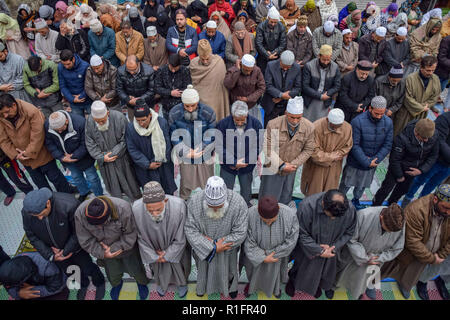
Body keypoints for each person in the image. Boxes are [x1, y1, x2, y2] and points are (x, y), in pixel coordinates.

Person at [21, 188, 106, 300]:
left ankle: (99, 281)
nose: (39, 218)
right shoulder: (27, 212)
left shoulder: (69, 204)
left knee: (88, 267)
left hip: (75, 249)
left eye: (41, 214)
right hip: (54, 254)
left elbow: (79, 232)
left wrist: (65, 251)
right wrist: (50, 255)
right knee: (71, 270)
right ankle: (84, 284)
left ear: (48, 203)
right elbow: (31, 236)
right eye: (36, 216)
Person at [381, 184, 450, 300]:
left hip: (428, 254)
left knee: (412, 275)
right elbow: (413, 241)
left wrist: (442, 254)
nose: (448, 212)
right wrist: (432, 259)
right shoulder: (417, 210)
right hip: (410, 251)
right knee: (388, 268)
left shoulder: (447, 211)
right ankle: (369, 285)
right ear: (435, 199)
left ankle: (405, 286)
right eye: (445, 208)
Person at [75, 196, 150, 300]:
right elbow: (85, 240)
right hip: (104, 254)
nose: (99, 227)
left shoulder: (123, 208)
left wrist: (113, 249)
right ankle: (117, 284)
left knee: (136, 270)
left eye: (101, 224)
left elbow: (131, 234)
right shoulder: (80, 214)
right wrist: (103, 253)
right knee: (112, 273)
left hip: (127, 250)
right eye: (95, 225)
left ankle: (141, 283)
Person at [285, 189, 356, 299]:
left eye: (335, 218)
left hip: (332, 250)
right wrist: (319, 250)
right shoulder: (307, 207)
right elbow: (302, 234)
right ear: (323, 204)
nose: (332, 219)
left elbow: (349, 232)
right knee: (300, 269)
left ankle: (317, 285)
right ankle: (294, 283)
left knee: (325, 271)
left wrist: (334, 247)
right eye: (330, 215)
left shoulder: (349, 210)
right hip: (308, 249)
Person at [185, 175, 248, 298]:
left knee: (229, 270)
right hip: (204, 249)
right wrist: (212, 247)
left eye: (218, 207)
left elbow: (240, 232)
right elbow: (190, 229)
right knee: (204, 270)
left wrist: (219, 244)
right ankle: (202, 288)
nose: (214, 210)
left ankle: (231, 288)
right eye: (211, 206)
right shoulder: (194, 201)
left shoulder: (238, 202)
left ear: (225, 200)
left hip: (227, 249)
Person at [0, 94, 74, 193]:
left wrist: (27, 153)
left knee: (56, 179)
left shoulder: (31, 111)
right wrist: (16, 155)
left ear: (14, 105)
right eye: (2, 114)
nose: (5, 116)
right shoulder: (2, 117)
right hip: (24, 159)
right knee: (40, 184)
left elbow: (38, 134)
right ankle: (49, 203)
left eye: (7, 112)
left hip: (42, 154)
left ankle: (67, 197)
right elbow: (3, 140)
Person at [132, 181, 191, 298]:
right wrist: (155, 256)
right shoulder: (136, 208)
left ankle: (182, 283)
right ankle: (161, 283)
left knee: (180, 267)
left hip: (176, 248)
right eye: (150, 210)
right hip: (154, 249)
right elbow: (140, 237)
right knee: (158, 268)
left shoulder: (179, 205)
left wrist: (168, 254)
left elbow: (182, 235)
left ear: (165, 201)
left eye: (158, 209)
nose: (154, 213)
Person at [336, 203, 405, 300]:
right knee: (342, 275)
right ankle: (333, 286)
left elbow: (398, 247)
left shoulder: (399, 223)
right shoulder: (364, 215)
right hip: (355, 256)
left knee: (364, 280)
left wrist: (380, 258)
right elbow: (352, 239)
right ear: (381, 216)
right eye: (387, 229)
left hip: (377, 259)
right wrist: (365, 257)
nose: (389, 233)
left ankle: (360, 291)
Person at [339, 96, 393, 210]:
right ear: (370, 108)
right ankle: (339, 201)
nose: (379, 116)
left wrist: (375, 160)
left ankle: (356, 200)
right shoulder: (357, 122)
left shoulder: (388, 123)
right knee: (346, 184)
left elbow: (387, 145)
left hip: (372, 164)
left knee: (362, 186)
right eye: (376, 113)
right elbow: (354, 145)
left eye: (381, 114)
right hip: (356, 162)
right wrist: (366, 161)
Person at [259, 96, 314, 205]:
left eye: (298, 118)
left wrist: (293, 165)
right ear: (285, 113)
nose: (295, 121)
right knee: (268, 197)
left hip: (291, 168)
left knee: (285, 195)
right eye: (292, 117)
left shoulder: (309, 127)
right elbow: (268, 148)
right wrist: (282, 165)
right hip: (273, 166)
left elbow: (308, 149)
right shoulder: (273, 124)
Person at [242, 195, 299, 298]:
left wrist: (273, 254)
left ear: (278, 211)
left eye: (272, 220)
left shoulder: (289, 215)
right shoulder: (250, 214)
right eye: (264, 220)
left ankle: (275, 289)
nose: (268, 223)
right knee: (254, 273)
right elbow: (248, 241)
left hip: (278, 256)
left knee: (275, 275)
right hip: (257, 255)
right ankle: (252, 286)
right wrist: (262, 257)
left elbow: (292, 240)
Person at [373, 119, 439, 207]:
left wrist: (421, 170)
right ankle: (375, 205)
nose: (426, 140)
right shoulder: (402, 138)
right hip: (397, 169)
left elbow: (433, 155)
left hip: (413, 171)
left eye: (428, 138)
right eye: (423, 138)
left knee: (402, 190)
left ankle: (392, 205)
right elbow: (395, 159)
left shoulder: (433, 135)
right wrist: (399, 175)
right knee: (385, 189)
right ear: (416, 132)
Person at [85, 101, 142, 201]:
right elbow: (89, 142)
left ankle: (137, 200)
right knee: (112, 186)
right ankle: (118, 203)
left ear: (107, 113)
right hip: (105, 161)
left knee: (130, 183)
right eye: (97, 121)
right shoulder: (90, 121)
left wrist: (112, 154)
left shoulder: (119, 117)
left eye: (102, 120)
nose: (100, 123)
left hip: (122, 158)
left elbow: (126, 139)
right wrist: (102, 157)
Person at [168, 85, 216, 200]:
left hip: (204, 153)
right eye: (187, 106)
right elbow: (174, 135)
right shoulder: (174, 113)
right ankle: (183, 205)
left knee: (208, 183)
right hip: (185, 153)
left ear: (198, 102)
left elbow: (211, 133)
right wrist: (185, 151)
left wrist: (201, 148)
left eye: (193, 105)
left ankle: (209, 203)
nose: (190, 109)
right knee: (186, 183)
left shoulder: (208, 112)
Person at [45, 111, 104, 201]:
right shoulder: (47, 126)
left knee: (92, 177)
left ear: (67, 121)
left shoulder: (81, 123)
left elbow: (86, 143)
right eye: (57, 130)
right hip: (66, 159)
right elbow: (50, 144)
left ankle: (100, 196)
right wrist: (61, 157)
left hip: (84, 158)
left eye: (61, 128)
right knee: (76, 177)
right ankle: (84, 192)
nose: (60, 131)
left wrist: (74, 156)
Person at [216, 101, 262, 206]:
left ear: (246, 115)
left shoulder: (256, 124)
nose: (240, 123)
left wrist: (246, 160)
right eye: (237, 120)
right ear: (232, 116)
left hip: (247, 165)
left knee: (246, 193)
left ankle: (245, 210)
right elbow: (219, 146)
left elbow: (258, 146)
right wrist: (233, 161)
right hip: (228, 166)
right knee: (226, 193)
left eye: (243, 120)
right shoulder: (223, 124)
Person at [126, 102, 177, 195]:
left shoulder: (161, 123)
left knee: (167, 190)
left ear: (150, 115)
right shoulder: (131, 128)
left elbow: (167, 143)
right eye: (138, 120)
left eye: (143, 120)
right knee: (151, 193)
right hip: (145, 167)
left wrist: (159, 160)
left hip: (163, 164)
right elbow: (132, 149)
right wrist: (147, 164)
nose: (141, 123)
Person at [402, 112, 450, 208]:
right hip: (436, 160)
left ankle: (420, 204)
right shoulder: (445, 118)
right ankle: (406, 201)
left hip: (447, 166)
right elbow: (440, 141)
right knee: (419, 181)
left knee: (432, 185)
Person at [301, 108, 352, 196]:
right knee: (313, 191)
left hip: (334, 166)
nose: (336, 128)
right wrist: (331, 157)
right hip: (316, 167)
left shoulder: (347, 128)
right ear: (327, 120)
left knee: (329, 193)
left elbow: (347, 146)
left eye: (339, 125)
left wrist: (334, 156)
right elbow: (313, 151)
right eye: (334, 126)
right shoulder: (315, 127)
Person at [393, 56, 441, 136]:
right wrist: (421, 107)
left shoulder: (436, 79)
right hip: (406, 113)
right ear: (421, 67)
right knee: (400, 133)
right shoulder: (410, 78)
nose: (431, 73)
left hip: (422, 114)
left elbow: (435, 97)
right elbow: (407, 98)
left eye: (433, 70)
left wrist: (426, 106)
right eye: (428, 70)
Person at [0, 252, 68, 300]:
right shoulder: (15, 261)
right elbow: (8, 286)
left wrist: (33, 290)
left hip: (58, 282)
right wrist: (19, 293)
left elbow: (56, 288)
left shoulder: (49, 269)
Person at [190, 39, 229, 121]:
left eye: (207, 59)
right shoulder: (193, 64)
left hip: (217, 100)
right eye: (202, 59)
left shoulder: (219, 62)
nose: (205, 61)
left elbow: (223, 86)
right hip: (200, 101)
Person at [261, 50, 301, 127]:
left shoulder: (297, 68)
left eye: (288, 67)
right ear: (280, 61)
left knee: (285, 130)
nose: (285, 69)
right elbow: (268, 85)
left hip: (287, 105)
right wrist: (280, 95)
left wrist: (283, 97)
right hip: (272, 103)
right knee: (271, 131)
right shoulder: (270, 65)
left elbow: (297, 87)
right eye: (284, 66)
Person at [302, 44, 341, 122]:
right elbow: (305, 86)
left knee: (321, 123)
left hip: (325, 100)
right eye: (324, 60)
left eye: (328, 60)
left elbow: (337, 86)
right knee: (307, 122)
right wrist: (319, 96)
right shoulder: (309, 66)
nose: (326, 62)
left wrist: (328, 94)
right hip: (310, 99)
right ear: (319, 56)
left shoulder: (335, 67)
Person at [223, 54, 265, 123]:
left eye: (250, 70)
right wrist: (237, 71)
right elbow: (228, 85)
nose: (248, 73)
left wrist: (248, 99)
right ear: (241, 65)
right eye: (246, 70)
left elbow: (262, 88)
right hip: (236, 106)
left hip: (251, 106)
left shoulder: (257, 71)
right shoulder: (232, 70)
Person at [116, 55, 155, 122]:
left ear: (139, 63)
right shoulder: (120, 71)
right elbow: (119, 89)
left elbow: (152, 90)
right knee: (133, 122)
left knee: (148, 122)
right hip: (131, 104)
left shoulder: (149, 71)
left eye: (134, 70)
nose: (131, 72)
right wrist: (127, 99)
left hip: (147, 103)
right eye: (129, 69)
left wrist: (140, 99)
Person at [154, 54, 191, 119]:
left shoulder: (185, 71)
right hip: (166, 106)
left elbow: (188, 86)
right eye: (171, 68)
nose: (173, 70)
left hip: (181, 106)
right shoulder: (162, 70)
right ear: (168, 63)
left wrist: (180, 92)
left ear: (179, 65)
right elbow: (157, 88)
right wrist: (170, 92)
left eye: (175, 68)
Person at [58, 49, 91, 117]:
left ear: (73, 59)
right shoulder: (60, 67)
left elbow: (89, 84)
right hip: (74, 102)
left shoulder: (85, 66)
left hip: (87, 100)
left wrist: (81, 96)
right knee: (79, 122)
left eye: (68, 64)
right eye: (64, 64)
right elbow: (62, 85)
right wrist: (72, 99)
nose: (66, 67)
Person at [255, 7, 286, 74]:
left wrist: (273, 53)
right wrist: (266, 54)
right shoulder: (260, 27)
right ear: (268, 18)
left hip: (275, 55)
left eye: (275, 22)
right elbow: (258, 43)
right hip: (263, 56)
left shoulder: (281, 27)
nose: (273, 24)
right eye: (271, 22)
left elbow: (283, 43)